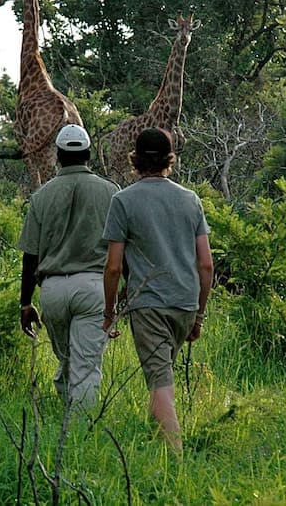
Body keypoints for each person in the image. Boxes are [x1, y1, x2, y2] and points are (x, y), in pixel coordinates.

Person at [101, 127, 214, 454]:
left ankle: (176, 464)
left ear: (134, 160)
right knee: (160, 381)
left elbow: (113, 267)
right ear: (169, 160)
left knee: (160, 384)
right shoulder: (190, 200)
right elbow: (206, 264)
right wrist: (199, 315)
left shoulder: (123, 201)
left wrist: (110, 313)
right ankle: (157, 452)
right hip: (185, 303)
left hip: (149, 306)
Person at [17, 124, 120, 411]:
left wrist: (25, 303)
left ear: (58, 156)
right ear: (88, 155)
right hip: (93, 287)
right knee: (85, 367)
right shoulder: (111, 191)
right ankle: (79, 435)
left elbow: (30, 256)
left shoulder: (42, 196)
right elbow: (122, 249)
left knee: (68, 360)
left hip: (52, 290)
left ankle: (65, 421)